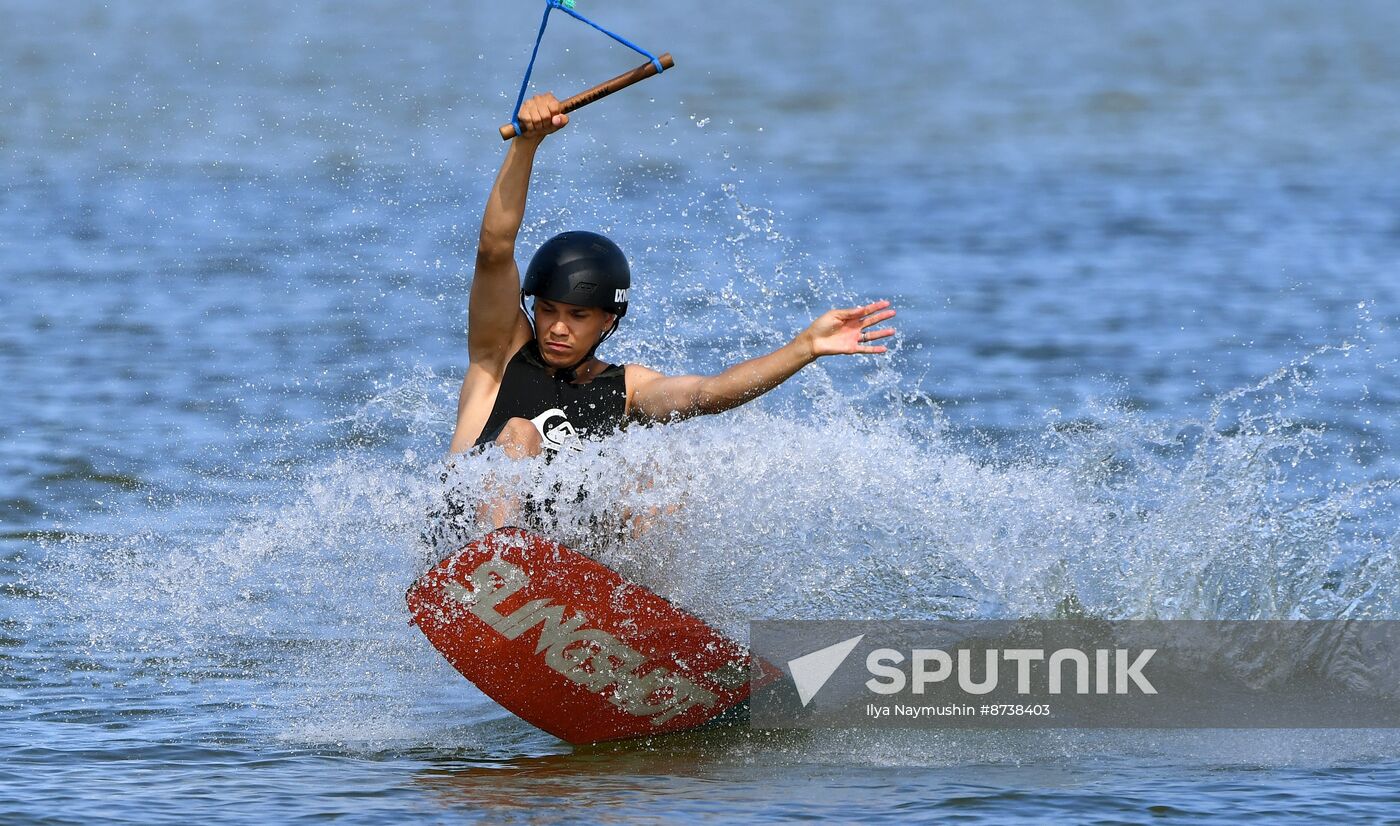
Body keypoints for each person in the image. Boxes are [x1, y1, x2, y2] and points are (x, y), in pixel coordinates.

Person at [446, 92, 895, 527]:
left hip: (556, 579)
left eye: (578, 316)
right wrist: (527, 145)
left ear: (608, 321)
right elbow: (494, 249)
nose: (558, 328)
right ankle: (498, 561)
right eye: (547, 311)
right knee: (521, 434)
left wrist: (805, 347)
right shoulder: (500, 353)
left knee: (656, 476)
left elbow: (707, 394)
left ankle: (632, 601)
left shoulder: (627, 388)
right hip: (463, 557)